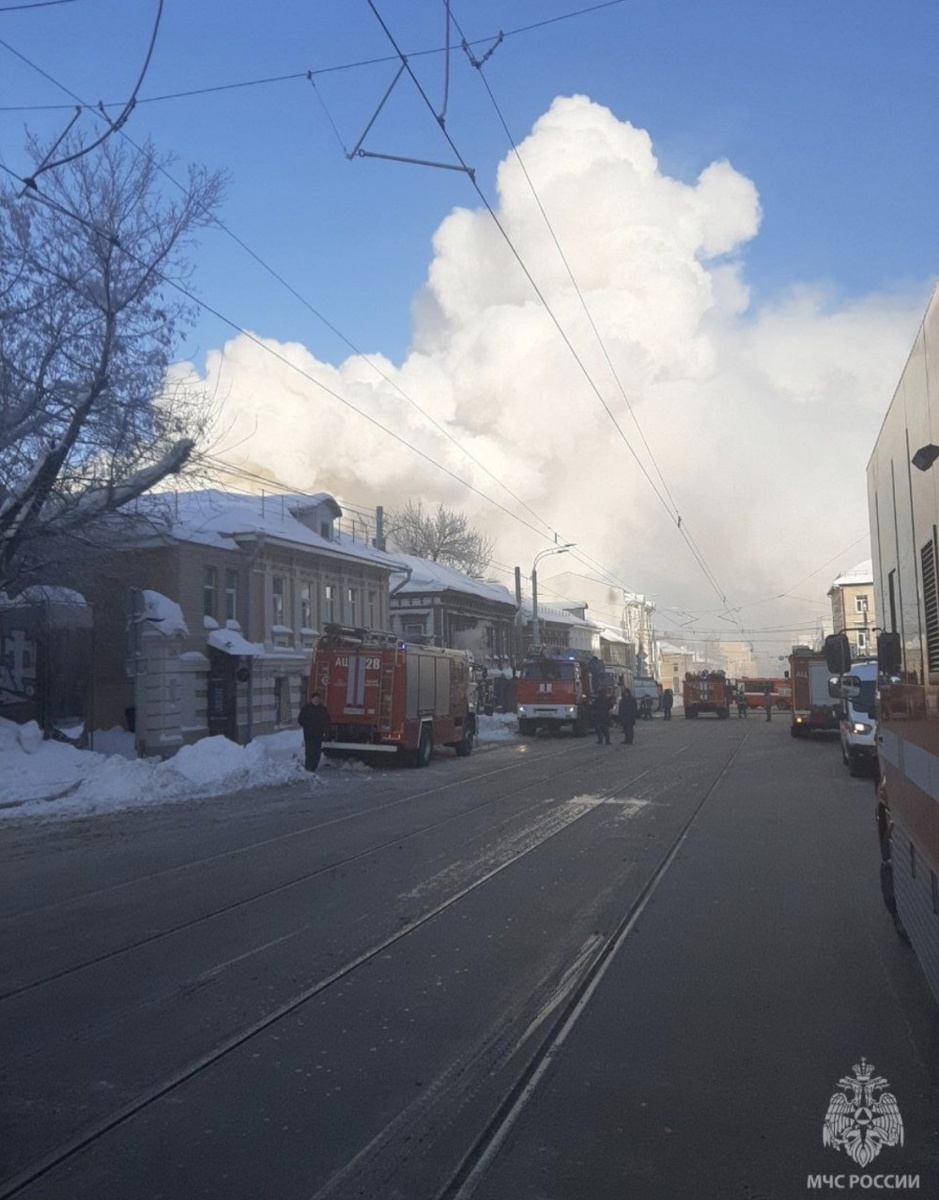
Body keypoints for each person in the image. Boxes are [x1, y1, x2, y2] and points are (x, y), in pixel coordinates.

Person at [298, 692, 331, 771]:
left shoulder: (322, 709)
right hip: (309, 734)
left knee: (317, 752)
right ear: (312, 699)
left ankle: (313, 767)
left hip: (318, 734)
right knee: (309, 751)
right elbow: (300, 719)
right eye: (315, 699)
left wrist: (326, 731)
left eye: (318, 699)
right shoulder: (306, 708)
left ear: (319, 700)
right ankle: (308, 766)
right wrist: (307, 726)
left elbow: (327, 721)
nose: (316, 700)